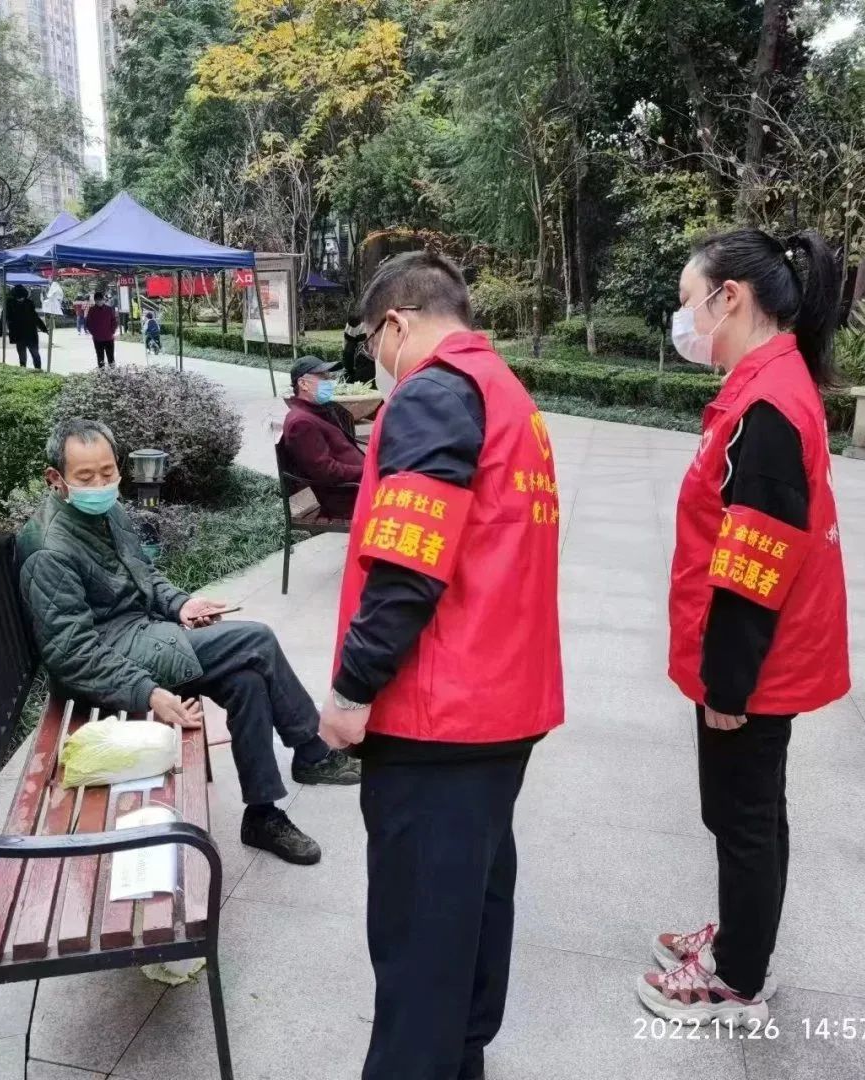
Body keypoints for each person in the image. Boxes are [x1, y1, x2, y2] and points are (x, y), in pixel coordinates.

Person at [319, 251, 564, 1080]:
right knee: (469, 929)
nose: (375, 360)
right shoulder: (506, 393)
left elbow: (407, 566)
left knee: (420, 958)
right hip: (499, 709)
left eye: (370, 342)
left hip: (439, 719)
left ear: (394, 323)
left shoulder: (433, 394)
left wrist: (352, 688)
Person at [641, 228, 850, 1028]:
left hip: (754, 664)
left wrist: (726, 686)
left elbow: (754, 563)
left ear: (730, 298)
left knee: (744, 819)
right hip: (759, 658)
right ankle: (741, 939)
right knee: (751, 812)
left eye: (689, 301)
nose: (684, 319)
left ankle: (737, 979)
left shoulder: (766, 407)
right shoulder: (767, 386)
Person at [17, 418, 361, 864]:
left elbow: (145, 574)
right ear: (56, 479)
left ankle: (262, 815)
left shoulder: (107, 512)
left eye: (107, 472)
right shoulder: (50, 550)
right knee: (256, 640)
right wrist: (148, 692)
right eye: (86, 477)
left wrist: (181, 605)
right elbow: (71, 653)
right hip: (110, 660)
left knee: (246, 680)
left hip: (142, 635)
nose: (100, 485)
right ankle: (311, 752)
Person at [280, 355, 364, 520]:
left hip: (359, 487)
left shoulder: (316, 411)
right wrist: (367, 471)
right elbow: (326, 471)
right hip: (348, 497)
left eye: (329, 377)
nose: (329, 382)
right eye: (323, 377)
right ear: (303, 384)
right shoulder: (301, 422)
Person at [2, 284, 47, 370]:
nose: (20, 299)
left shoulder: (29, 303)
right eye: (18, 298)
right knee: (22, 357)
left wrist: (43, 328)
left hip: (31, 333)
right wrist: (1, 329)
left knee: (35, 354)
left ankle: (38, 371)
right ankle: (23, 372)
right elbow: (4, 317)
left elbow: (35, 317)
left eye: (22, 297)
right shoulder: (9, 304)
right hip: (18, 334)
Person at [341, 303, 372, 384]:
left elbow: (348, 351)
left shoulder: (365, 323)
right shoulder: (350, 326)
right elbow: (347, 345)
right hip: (354, 347)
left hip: (365, 356)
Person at [85, 291, 117, 368]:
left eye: (100, 300)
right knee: (100, 358)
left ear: (103, 300)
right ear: (95, 301)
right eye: (97, 300)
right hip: (98, 339)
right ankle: (102, 373)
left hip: (109, 337)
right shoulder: (92, 310)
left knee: (111, 357)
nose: (99, 302)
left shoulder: (109, 309)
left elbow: (114, 321)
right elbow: (88, 323)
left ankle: (113, 372)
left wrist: (112, 331)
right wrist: (94, 333)